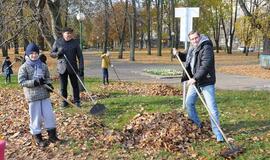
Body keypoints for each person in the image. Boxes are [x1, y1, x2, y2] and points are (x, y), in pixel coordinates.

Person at [173, 31, 224, 142]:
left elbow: (205, 65)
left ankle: (218, 134)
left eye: (196, 38)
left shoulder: (206, 47)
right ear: (190, 40)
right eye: (192, 39)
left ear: (200, 37)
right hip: (195, 81)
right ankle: (197, 125)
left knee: (212, 108)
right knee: (189, 103)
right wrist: (178, 54)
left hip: (206, 81)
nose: (195, 40)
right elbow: (187, 57)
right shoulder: (192, 47)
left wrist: (195, 78)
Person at [18, 43, 60, 148]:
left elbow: (47, 77)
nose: (34, 55)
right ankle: (38, 138)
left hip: (44, 95)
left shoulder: (43, 65)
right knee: (36, 117)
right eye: (31, 53)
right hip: (33, 96)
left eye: (36, 53)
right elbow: (22, 81)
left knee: (49, 115)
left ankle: (52, 136)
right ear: (27, 55)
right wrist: (34, 82)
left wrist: (48, 84)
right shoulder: (24, 67)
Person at [50, 27, 84, 108]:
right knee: (63, 86)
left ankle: (77, 101)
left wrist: (81, 68)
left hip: (73, 67)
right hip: (62, 68)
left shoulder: (75, 43)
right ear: (63, 34)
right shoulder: (58, 42)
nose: (68, 35)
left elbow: (80, 56)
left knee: (75, 85)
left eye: (70, 33)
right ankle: (64, 101)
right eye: (67, 33)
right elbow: (51, 54)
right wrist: (58, 53)